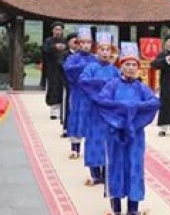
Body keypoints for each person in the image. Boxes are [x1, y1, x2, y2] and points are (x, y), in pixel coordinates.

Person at [94, 43, 160, 215]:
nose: (131, 68)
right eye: (127, 64)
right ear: (120, 66)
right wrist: (121, 115)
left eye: (134, 65)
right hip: (115, 132)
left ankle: (133, 207)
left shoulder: (142, 88)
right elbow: (102, 102)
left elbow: (153, 103)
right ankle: (115, 208)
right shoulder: (112, 85)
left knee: (134, 166)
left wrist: (134, 114)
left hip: (135, 135)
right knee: (115, 165)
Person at [79, 32, 121, 185]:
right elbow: (83, 81)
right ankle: (96, 173)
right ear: (96, 51)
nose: (105, 53)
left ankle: (107, 171)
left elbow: (119, 87)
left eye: (107, 50)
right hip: (94, 111)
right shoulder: (91, 68)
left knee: (108, 140)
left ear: (111, 52)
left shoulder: (115, 70)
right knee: (94, 140)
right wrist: (102, 87)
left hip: (110, 112)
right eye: (102, 49)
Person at [63, 28, 95, 158]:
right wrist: (84, 68)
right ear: (78, 43)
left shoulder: (95, 59)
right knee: (76, 118)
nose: (86, 45)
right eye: (83, 42)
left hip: (92, 95)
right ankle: (75, 148)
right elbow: (68, 70)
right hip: (77, 93)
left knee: (91, 120)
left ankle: (91, 147)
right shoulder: (72, 58)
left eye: (88, 42)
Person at [42, 22, 68, 120]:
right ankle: (54, 110)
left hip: (63, 69)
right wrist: (54, 47)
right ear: (53, 30)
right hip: (52, 68)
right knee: (53, 88)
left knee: (62, 88)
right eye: (56, 29)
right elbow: (45, 49)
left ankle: (62, 109)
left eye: (60, 29)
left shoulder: (65, 41)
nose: (58, 31)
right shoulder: (49, 40)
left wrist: (64, 48)